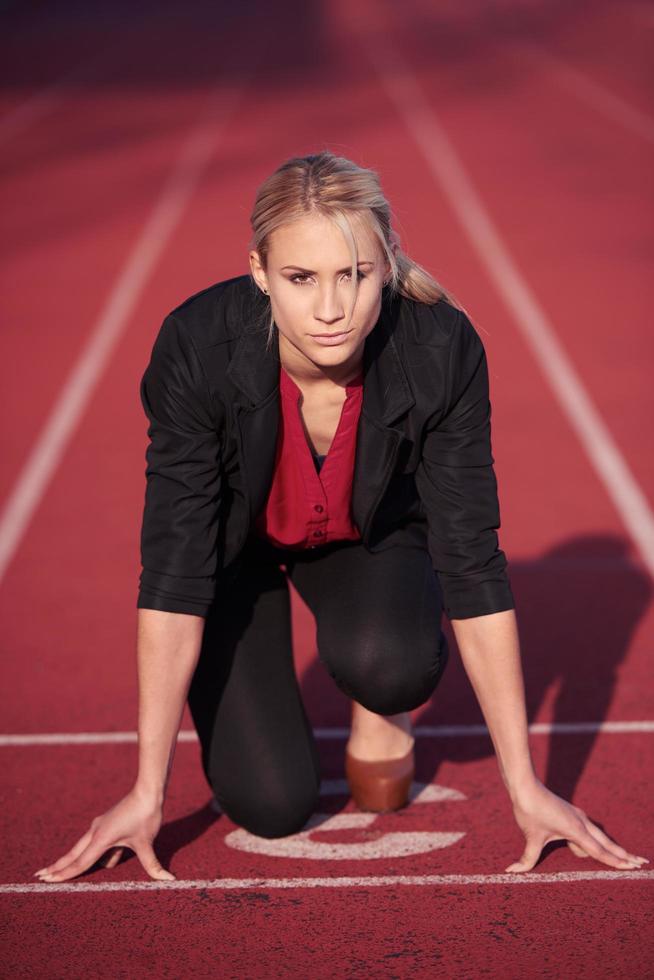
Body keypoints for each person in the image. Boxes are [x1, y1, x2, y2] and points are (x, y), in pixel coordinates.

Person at [34, 151, 648, 883]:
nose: (331, 309)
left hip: (366, 536)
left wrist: (526, 787)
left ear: (386, 266)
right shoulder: (197, 349)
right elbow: (175, 571)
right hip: (239, 558)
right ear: (259, 271)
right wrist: (147, 790)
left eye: (353, 276)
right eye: (301, 278)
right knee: (270, 803)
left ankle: (381, 703)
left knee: (391, 668)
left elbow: (472, 562)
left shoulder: (440, 349)